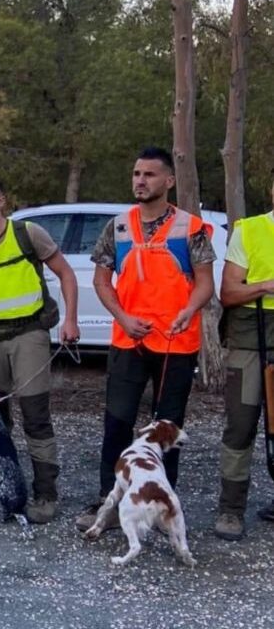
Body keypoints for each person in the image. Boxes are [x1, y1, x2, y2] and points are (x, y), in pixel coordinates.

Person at [72, 147, 216, 533]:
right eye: (136, 174)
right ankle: (110, 500)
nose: (140, 180)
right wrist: (121, 316)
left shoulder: (191, 227)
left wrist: (189, 310)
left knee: (166, 429)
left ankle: (161, 504)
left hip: (176, 343)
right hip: (128, 342)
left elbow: (205, 283)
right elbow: (103, 281)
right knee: (117, 425)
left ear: (168, 181)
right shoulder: (117, 226)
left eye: (149, 175)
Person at [0, 176, 80, 524]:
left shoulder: (28, 234)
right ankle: (6, 488)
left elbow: (66, 274)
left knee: (36, 417)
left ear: (1, 201)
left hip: (30, 335)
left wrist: (70, 320)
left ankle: (46, 494)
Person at [215, 183, 274, 540]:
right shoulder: (250, 229)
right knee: (240, 426)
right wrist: (266, 285)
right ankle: (231, 509)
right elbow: (229, 293)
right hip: (252, 340)